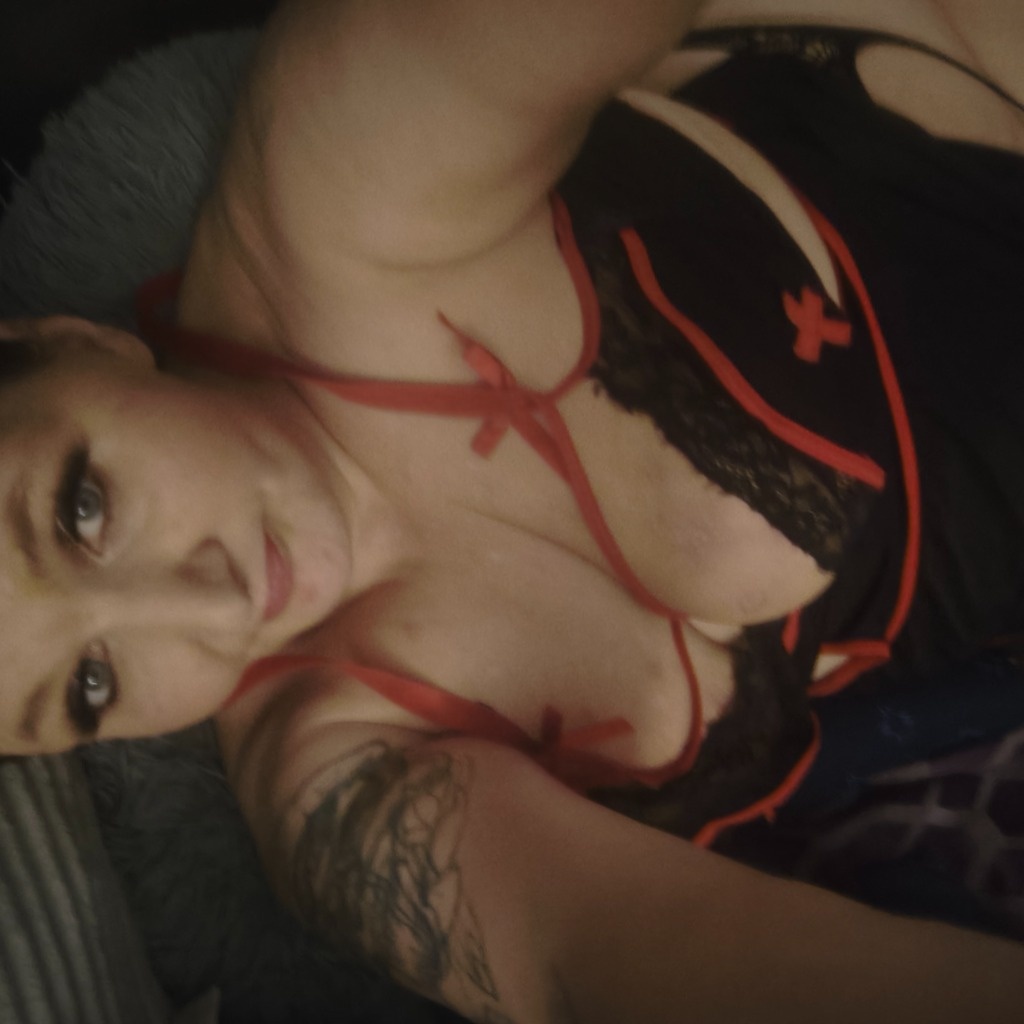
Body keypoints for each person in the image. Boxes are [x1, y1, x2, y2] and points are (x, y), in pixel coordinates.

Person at [3, 0, 1024, 1020]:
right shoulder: (329, 774)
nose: (210, 606)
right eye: (92, 684)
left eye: (79, 509)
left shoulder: (343, 166)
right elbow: (586, 952)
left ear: (70, 343)